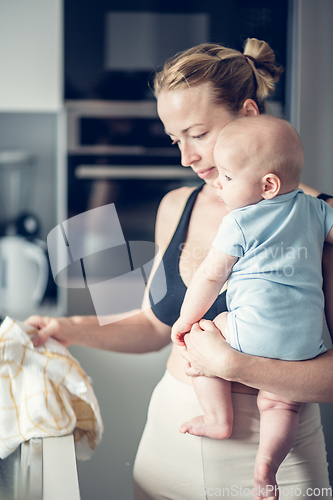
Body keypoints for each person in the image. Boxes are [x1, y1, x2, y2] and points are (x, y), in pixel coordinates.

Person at [27, 39, 333, 499]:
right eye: (176, 139)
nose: (186, 157)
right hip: (169, 445)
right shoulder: (178, 205)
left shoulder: (317, 221)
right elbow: (155, 325)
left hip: (276, 464)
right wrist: (69, 329)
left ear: (249, 113)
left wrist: (235, 365)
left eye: (199, 134)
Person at [171, 114, 333, 498]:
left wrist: (186, 320)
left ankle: (217, 418)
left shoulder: (239, 222)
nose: (218, 185)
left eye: (226, 177)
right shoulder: (316, 210)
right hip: (305, 346)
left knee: (206, 332)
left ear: (268, 185)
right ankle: (267, 467)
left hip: (250, 335)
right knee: (281, 406)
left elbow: (210, 277)